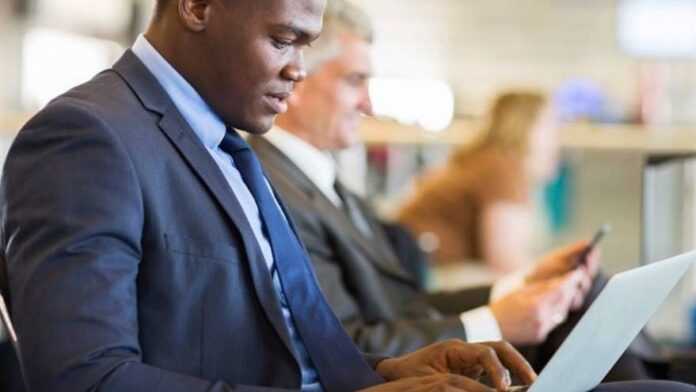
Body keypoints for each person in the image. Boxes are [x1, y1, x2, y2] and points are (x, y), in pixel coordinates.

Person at [0, 0, 548, 391]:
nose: (298, 70)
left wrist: (386, 372)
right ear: (196, 7)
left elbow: (276, 352)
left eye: (304, 46)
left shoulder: (227, 146)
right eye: (282, 40)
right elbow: (84, 378)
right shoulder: (86, 137)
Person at [248, 1, 694, 391]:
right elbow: (345, 341)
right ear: (299, 81)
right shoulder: (275, 187)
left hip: (434, 346)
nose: (369, 103)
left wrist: (517, 285)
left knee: (587, 296)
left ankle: (665, 369)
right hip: (421, 371)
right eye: (354, 81)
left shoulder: (327, 184)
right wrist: (495, 321)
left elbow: (407, 305)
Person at [397, 91, 559, 274]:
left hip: (414, 267)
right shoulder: (500, 167)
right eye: (548, 125)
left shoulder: (485, 159)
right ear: (525, 126)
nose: (556, 137)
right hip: (429, 275)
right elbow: (504, 259)